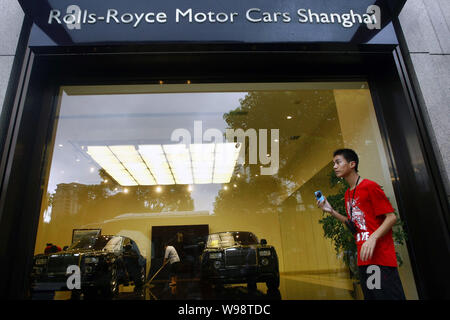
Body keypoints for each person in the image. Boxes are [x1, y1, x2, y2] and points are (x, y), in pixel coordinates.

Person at [317, 148, 406, 300]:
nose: (334, 166)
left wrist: (373, 238)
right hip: (364, 261)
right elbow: (354, 225)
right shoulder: (348, 193)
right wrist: (331, 211)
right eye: (333, 163)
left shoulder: (369, 186)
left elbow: (391, 218)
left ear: (352, 164)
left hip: (380, 260)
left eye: (338, 162)